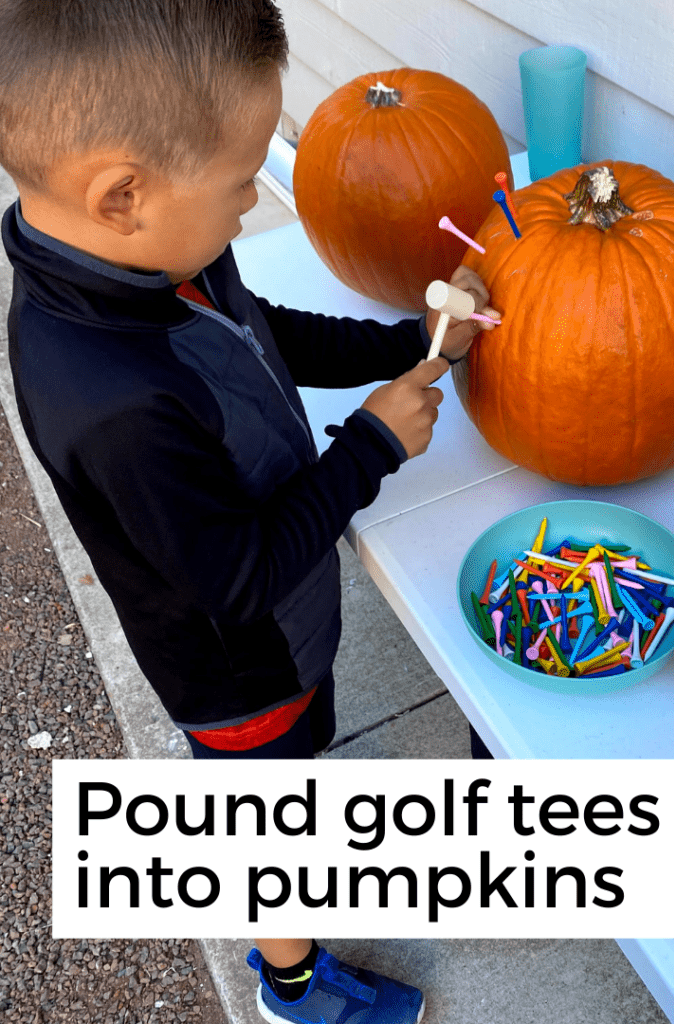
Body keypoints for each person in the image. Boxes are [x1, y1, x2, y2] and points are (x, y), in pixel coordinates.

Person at [0, 1, 501, 1021]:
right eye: (241, 188)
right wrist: (370, 445)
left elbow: (257, 330)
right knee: (266, 814)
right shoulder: (110, 401)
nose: (248, 208)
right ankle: (292, 983)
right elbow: (237, 581)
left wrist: (402, 343)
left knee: (295, 764)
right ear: (124, 195)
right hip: (238, 668)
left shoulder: (160, 259)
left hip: (280, 631)